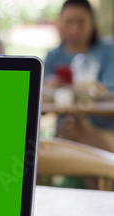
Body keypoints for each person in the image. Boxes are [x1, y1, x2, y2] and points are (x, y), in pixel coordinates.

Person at [44, 0, 114, 152]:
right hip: (67, 127)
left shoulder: (108, 50)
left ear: (92, 22)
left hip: (104, 127)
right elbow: (40, 96)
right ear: (60, 23)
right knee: (71, 126)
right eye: (69, 22)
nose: (74, 29)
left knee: (73, 128)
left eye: (81, 22)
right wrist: (49, 86)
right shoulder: (53, 56)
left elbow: (111, 86)